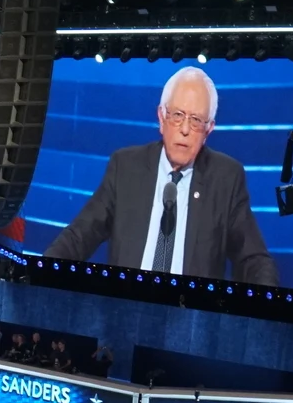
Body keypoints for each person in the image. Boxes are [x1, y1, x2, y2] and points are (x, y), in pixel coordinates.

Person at [41, 66, 279, 285]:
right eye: (177, 115)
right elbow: (79, 236)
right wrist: (40, 274)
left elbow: (253, 259)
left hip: (189, 318)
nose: (185, 129)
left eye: (196, 121)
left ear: (209, 130)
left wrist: (269, 303)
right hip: (125, 306)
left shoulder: (226, 178)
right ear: (161, 117)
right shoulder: (125, 167)